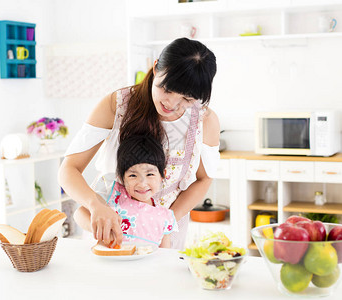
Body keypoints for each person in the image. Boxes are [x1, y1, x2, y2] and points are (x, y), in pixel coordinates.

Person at [58, 37, 220, 249]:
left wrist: (164, 220)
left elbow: (204, 179)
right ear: (154, 68)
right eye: (167, 89)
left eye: (187, 99)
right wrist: (96, 205)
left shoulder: (204, 120)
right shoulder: (118, 105)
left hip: (165, 236)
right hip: (110, 231)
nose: (171, 103)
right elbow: (69, 169)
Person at [74, 134, 178, 248]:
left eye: (150, 174)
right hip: (106, 264)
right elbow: (79, 213)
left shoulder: (166, 217)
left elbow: (164, 255)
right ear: (122, 177)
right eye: (133, 175)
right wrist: (102, 231)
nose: (142, 184)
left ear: (163, 175)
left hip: (143, 266)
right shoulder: (113, 193)